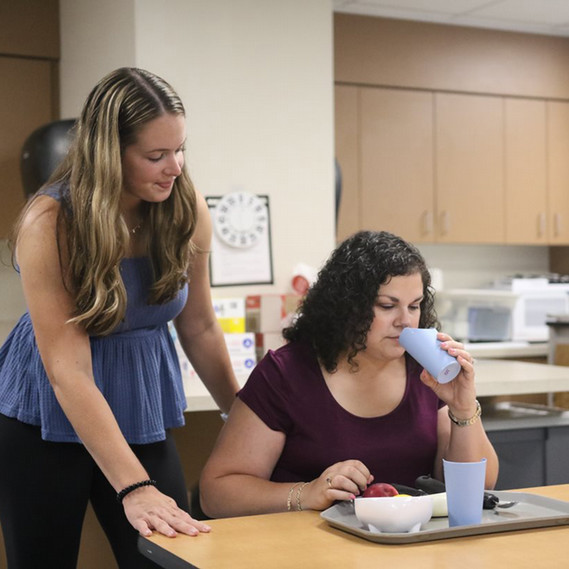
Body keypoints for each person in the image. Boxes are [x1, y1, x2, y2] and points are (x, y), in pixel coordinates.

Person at [0, 67, 240, 568]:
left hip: (139, 408)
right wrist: (133, 487)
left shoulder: (183, 208)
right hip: (43, 414)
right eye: (155, 155)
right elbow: (68, 372)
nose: (174, 166)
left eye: (180, 149)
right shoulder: (51, 223)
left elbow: (198, 326)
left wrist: (245, 421)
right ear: (108, 155)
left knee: (170, 557)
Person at [199, 230, 498, 518]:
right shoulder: (286, 374)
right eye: (387, 306)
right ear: (347, 306)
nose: (406, 321)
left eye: (415, 306)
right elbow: (216, 494)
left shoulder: (425, 370)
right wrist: (307, 494)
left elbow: (479, 490)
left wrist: (463, 408)